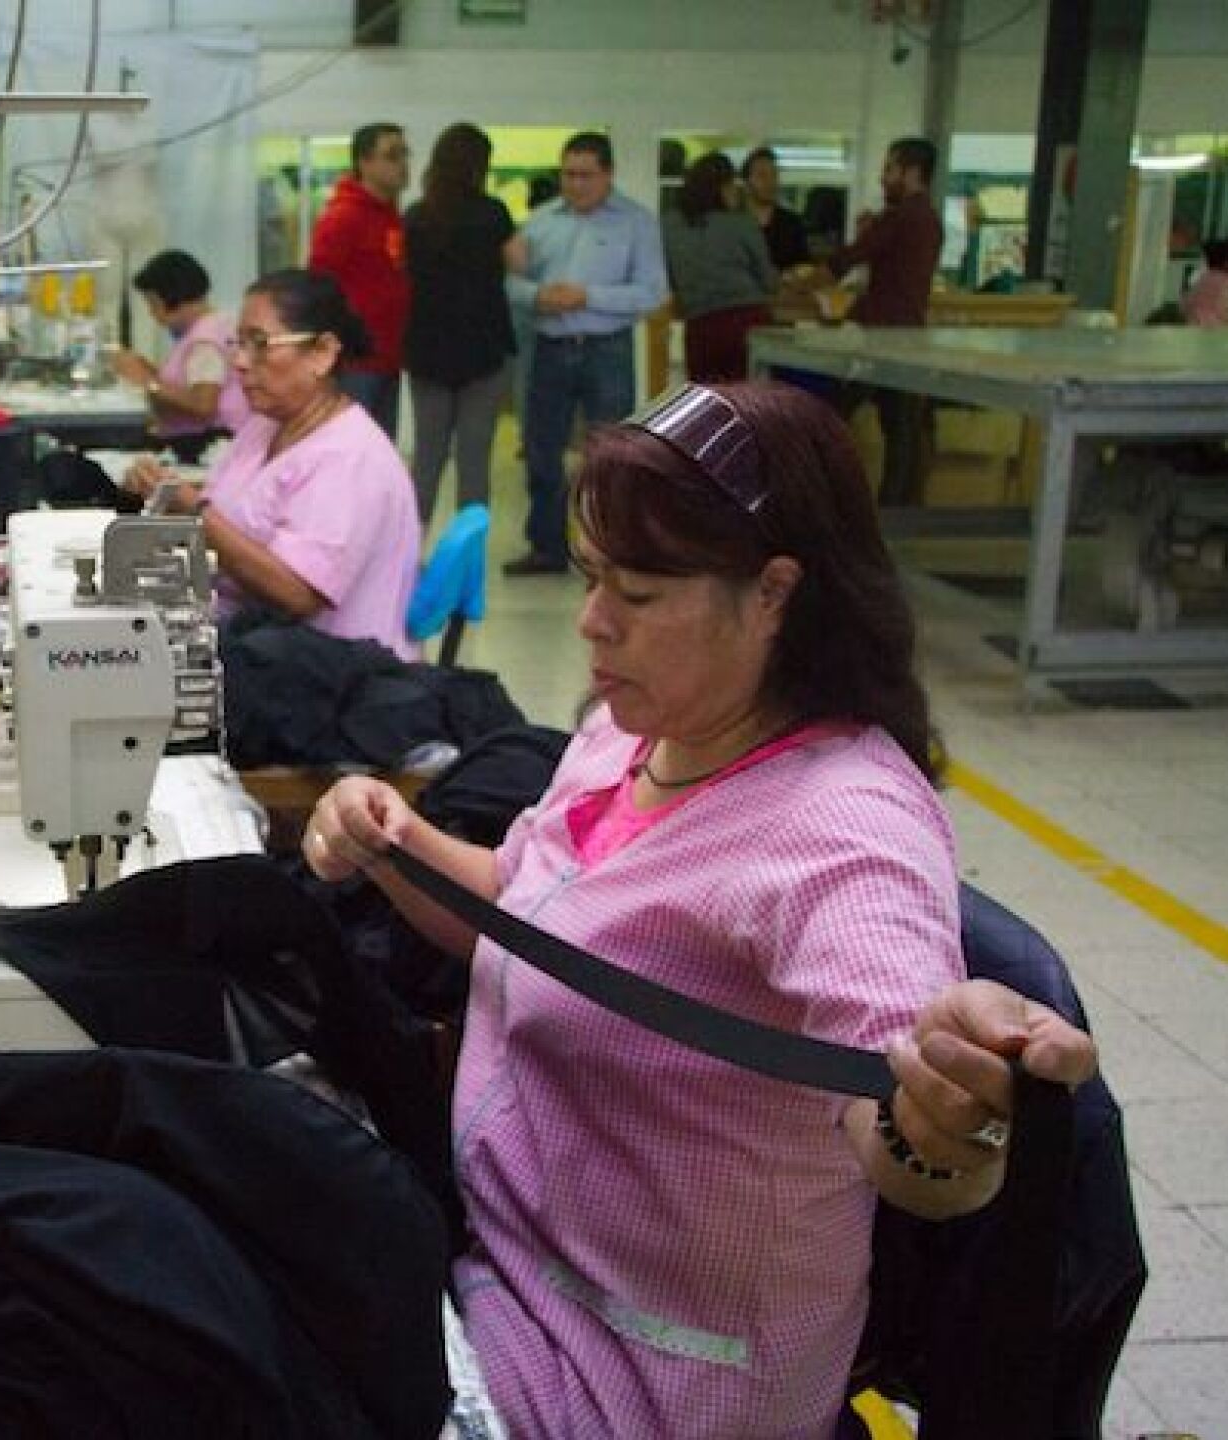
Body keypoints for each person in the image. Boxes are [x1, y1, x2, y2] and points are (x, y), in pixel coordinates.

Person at [297, 379, 1099, 1438]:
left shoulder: (842, 832)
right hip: (501, 1262)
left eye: (635, 592)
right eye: (592, 579)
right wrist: (393, 844)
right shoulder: (641, 729)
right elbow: (528, 913)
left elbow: (905, 1123)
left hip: (641, 1377)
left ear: (773, 594)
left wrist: (945, 1117)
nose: (590, 622)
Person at [122, 269, 421, 660]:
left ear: (322, 353)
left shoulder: (347, 458)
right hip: (258, 642)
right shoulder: (265, 425)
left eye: (260, 344)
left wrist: (193, 510)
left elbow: (297, 594)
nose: (241, 363)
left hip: (331, 677)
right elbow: (224, 516)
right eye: (238, 344)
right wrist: (164, 494)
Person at [503, 131, 668, 576]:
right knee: (541, 451)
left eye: (586, 176)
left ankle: (606, 553)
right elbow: (509, 284)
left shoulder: (637, 223)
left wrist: (587, 296)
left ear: (609, 174)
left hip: (606, 349)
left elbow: (652, 293)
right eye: (568, 175)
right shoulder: (539, 222)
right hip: (550, 350)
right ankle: (547, 546)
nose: (575, 184)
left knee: (609, 456)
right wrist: (539, 295)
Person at [814, 136, 945, 506]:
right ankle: (894, 517)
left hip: (877, 338)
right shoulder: (929, 220)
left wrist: (802, 280)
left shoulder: (901, 217)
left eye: (890, 169)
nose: (882, 178)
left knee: (831, 417)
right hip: (909, 334)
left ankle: (819, 503)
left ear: (912, 172)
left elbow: (852, 258)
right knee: (900, 432)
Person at [401, 122, 516, 525]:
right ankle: (468, 556)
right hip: (483, 349)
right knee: (474, 459)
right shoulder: (493, 213)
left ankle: (408, 552)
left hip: (427, 348)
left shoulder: (415, 217)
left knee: (427, 456)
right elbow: (519, 262)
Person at [308, 122, 411, 438]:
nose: (403, 164)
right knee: (351, 453)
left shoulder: (390, 215)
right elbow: (318, 286)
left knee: (379, 455)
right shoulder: (343, 217)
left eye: (404, 154)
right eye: (392, 156)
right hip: (355, 363)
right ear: (364, 162)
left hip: (388, 357)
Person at [110, 249, 250, 446]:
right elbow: (189, 383)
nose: (151, 313)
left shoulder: (205, 343)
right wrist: (146, 370)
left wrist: (147, 381)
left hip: (205, 444)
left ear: (171, 298)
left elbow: (203, 405)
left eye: (152, 304)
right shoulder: (220, 324)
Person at [662, 150, 777, 382]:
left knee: (706, 401)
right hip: (746, 321)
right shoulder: (740, 222)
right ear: (722, 187)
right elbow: (769, 281)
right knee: (748, 402)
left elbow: (668, 276)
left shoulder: (668, 224)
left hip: (700, 325)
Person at [742, 145, 812, 270]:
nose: (770, 182)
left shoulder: (792, 223)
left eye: (774, 175)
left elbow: (804, 268)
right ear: (747, 182)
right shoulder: (732, 224)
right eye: (762, 175)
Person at [1182, 238, 1228, 328]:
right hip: (1217, 331)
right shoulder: (1224, 283)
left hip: (1193, 327)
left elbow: (1186, 302)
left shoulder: (1203, 279)